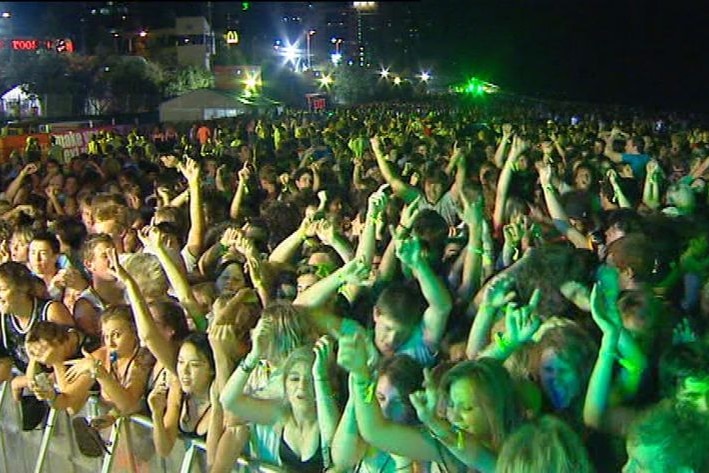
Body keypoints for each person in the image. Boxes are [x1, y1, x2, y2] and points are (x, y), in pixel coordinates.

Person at [221, 324, 339, 473]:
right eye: (295, 379)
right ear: (285, 384)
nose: (301, 387)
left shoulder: (330, 417)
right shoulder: (282, 415)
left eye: (311, 380)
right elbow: (228, 400)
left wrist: (321, 376)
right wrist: (253, 356)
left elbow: (332, 449)